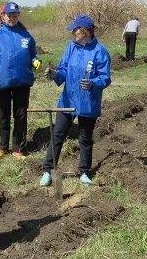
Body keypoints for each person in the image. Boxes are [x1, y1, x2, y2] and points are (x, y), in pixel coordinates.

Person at [41, 15, 111, 186]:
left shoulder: (100, 52)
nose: (73, 33)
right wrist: (55, 74)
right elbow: (63, 70)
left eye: (75, 30)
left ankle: (84, 171)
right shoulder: (71, 47)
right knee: (57, 134)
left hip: (88, 102)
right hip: (68, 100)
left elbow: (105, 78)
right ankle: (48, 170)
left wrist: (93, 83)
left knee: (85, 138)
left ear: (85, 31)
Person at [0, 2, 41, 159]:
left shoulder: (26, 36)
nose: (12, 18)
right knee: (3, 114)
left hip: (22, 81)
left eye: (15, 15)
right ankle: (2, 146)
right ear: (3, 16)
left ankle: (18, 148)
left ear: (18, 16)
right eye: (9, 15)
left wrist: (36, 61)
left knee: (20, 115)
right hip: (1, 81)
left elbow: (33, 54)